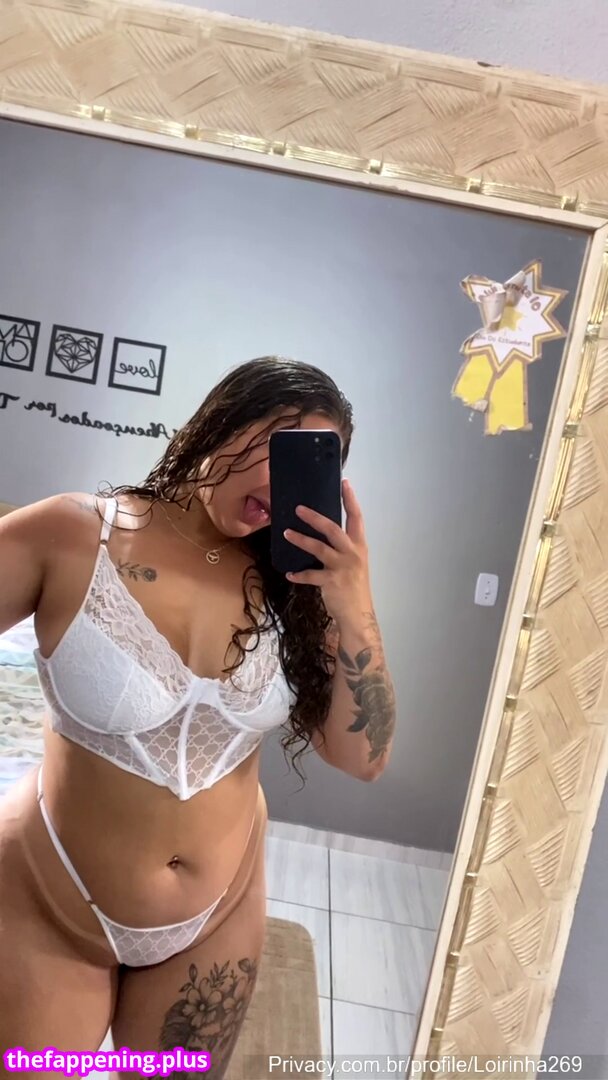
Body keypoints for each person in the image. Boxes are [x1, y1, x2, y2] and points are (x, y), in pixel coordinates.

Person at [0, 356, 396, 1076]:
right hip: (50, 897)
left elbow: (362, 759)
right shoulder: (72, 534)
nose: (278, 483)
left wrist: (354, 601)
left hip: (216, 916)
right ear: (222, 419)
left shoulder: (299, 591)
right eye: (274, 445)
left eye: (306, 463)